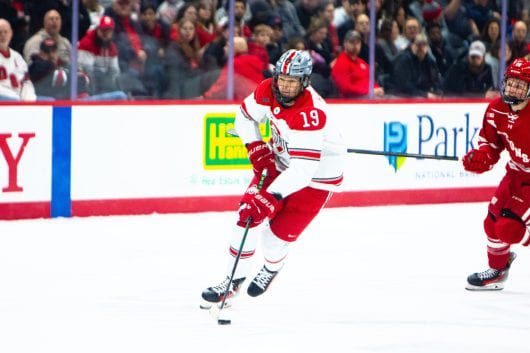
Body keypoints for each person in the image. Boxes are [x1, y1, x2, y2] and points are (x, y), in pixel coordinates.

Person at [200, 49, 345, 308]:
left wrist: (269, 196)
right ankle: (231, 282)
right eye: (282, 78)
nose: (285, 86)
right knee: (247, 215)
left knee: (273, 240)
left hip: (316, 178)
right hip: (280, 162)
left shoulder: (311, 113)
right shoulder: (268, 89)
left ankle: (271, 267)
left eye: (293, 81)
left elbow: (303, 170)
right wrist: (255, 147)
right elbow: (244, 117)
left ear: (305, 82)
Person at [464, 58, 530, 291]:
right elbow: (490, 147)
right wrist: (479, 158)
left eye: (520, 85)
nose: (513, 89)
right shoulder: (495, 109)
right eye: (511, 83)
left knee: (509, 228)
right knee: (492, 222)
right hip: (515, 174)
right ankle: (498, 270)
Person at [0, 19, 36, 101]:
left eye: (6, 32)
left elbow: (26, 82)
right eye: (0, 32)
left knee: (49, 100)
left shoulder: (18, 58)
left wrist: (28, 100)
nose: (3, 35)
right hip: (4, 101)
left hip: (18, 100)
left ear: (11, 34)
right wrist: (13, 97)